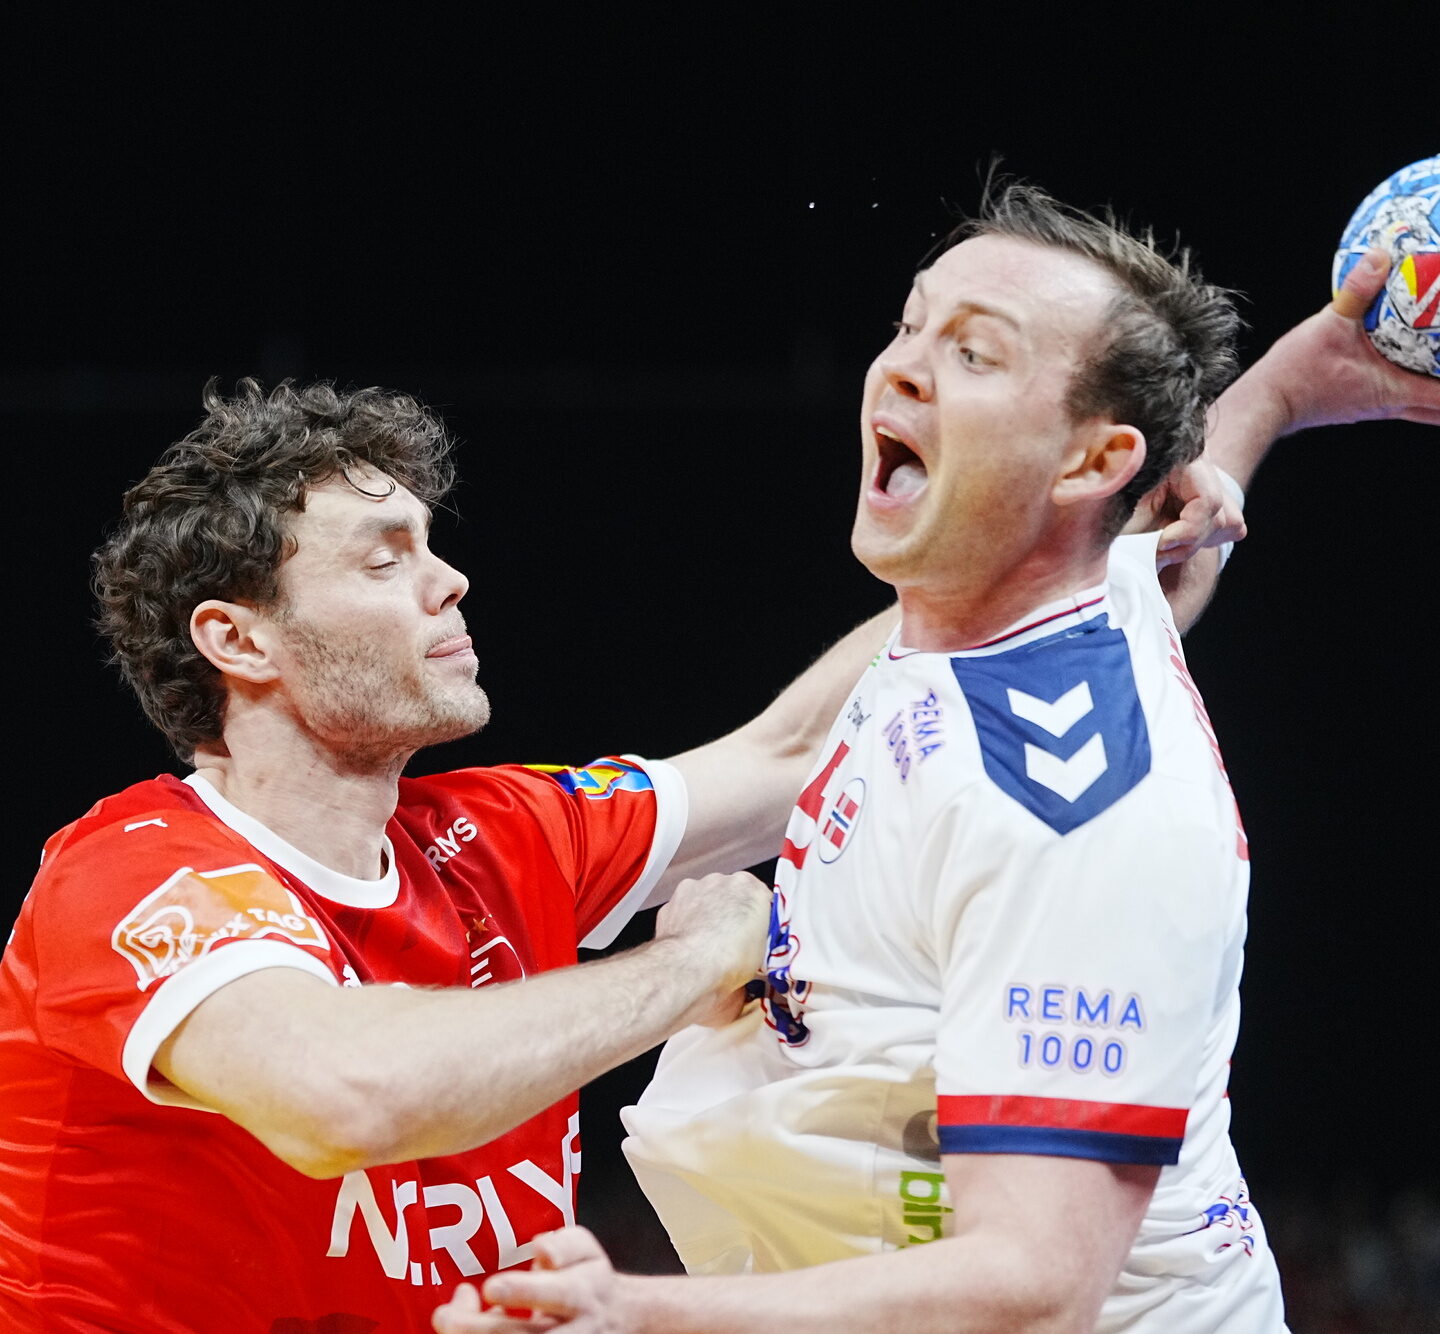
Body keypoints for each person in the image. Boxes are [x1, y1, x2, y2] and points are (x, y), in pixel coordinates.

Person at [430, 191, 1440, 1333]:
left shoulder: (1081, 820)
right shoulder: (1031, 610)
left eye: (973, 353)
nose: (902, 369)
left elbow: (1034, 1284)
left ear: (1090, 461)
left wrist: (631, 1314)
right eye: (911, 325)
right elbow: (1157, 553)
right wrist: (1285, 391)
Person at [0, 378, 910, 1332]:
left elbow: (797, 751)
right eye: (384, 561)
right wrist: (697, 960)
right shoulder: (132, 874)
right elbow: (349, 1099)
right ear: (239, 639)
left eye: (431, 547)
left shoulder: (497, 831)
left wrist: (999, 559)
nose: (450, 582)